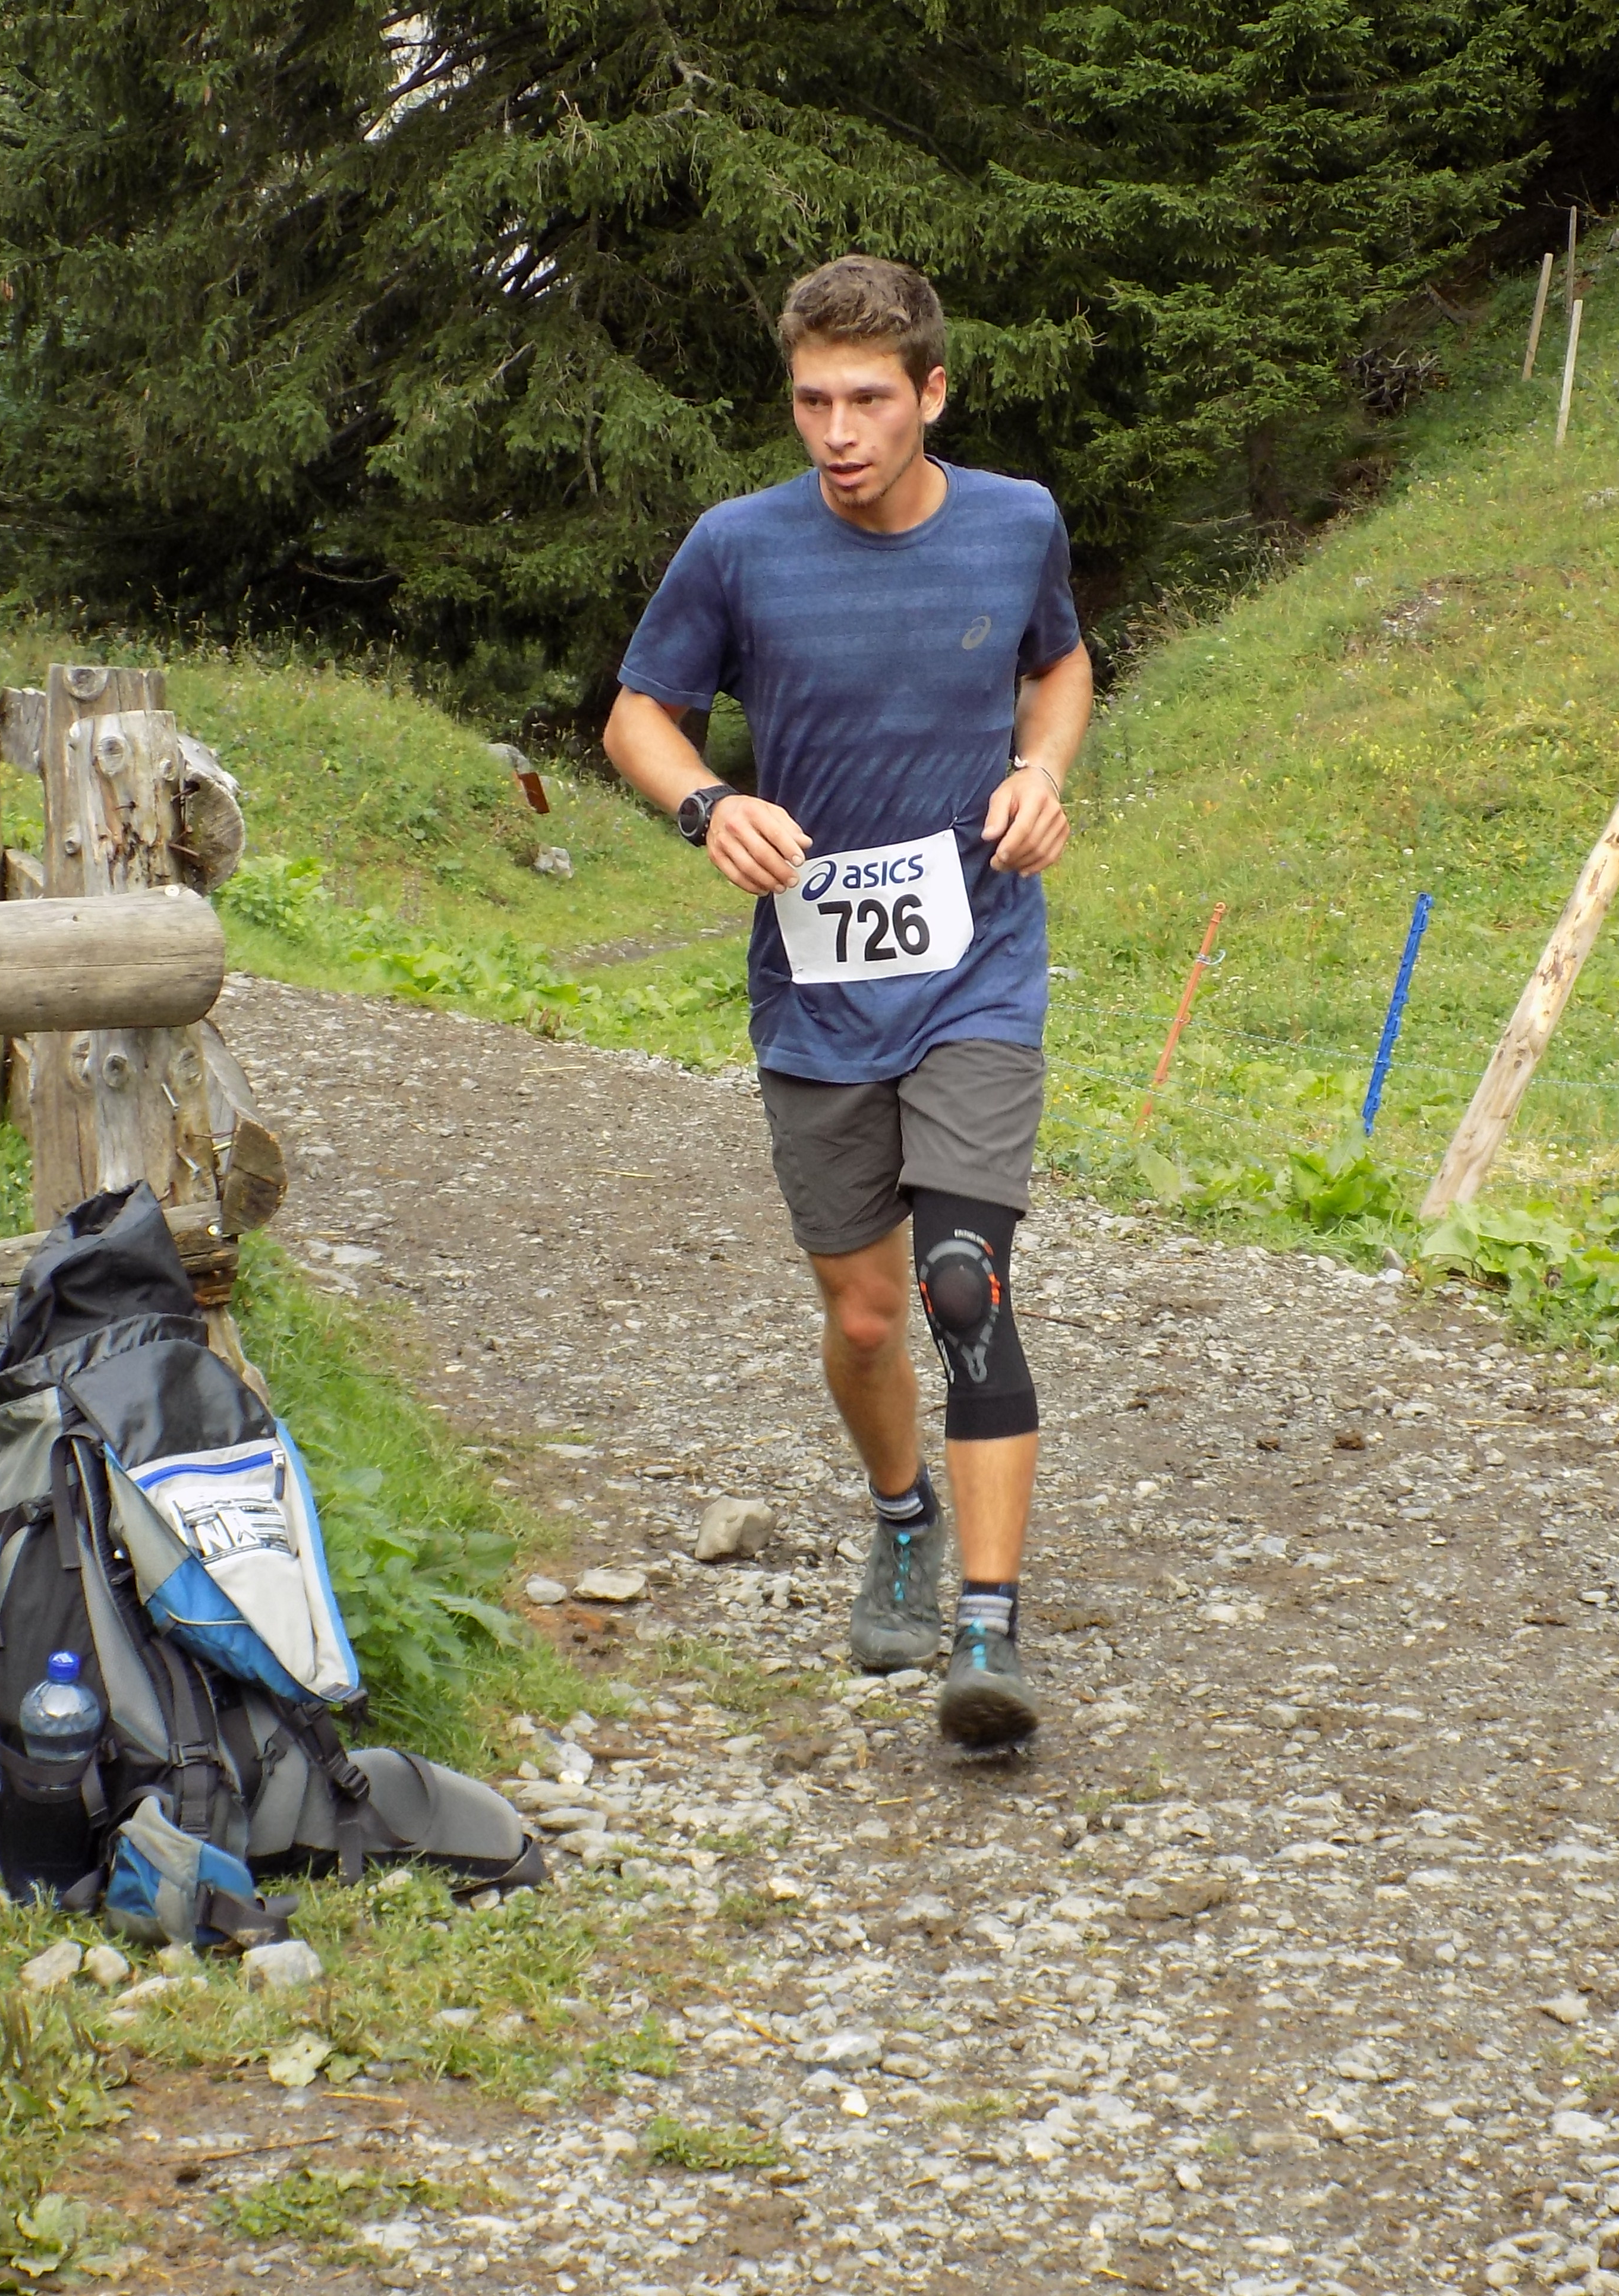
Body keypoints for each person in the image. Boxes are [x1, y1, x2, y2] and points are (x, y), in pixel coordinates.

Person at [603, 256, 1092, 1749]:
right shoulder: (737, 548)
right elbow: (637, 715)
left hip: (977, 967)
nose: (836, 432)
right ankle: (900, 1512)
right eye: (812, 400)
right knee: (868, 1315)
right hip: (816, 990)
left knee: (962, 1282)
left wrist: (1040, 772)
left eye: (867, 400)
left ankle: (988, 1629)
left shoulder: (1015, 523)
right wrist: (706, 806)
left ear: (931, 393)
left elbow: (1061, 667)